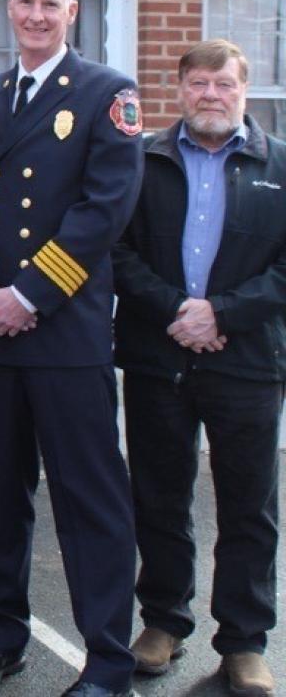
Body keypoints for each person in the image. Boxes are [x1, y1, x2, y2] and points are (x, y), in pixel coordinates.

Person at [0, 0, 143, 697]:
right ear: (8, 9)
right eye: (23, 2)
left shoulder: (105, 94)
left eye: (49, 4)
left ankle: (108, 663)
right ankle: (0, 642)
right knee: (3, 497)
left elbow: (104, 212)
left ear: (73, 12)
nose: (34, 15)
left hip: (64, 336)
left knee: (89, 504)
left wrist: (25, 295)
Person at [112, 39, 284, 697]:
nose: (211, 95)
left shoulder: (280, 166)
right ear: (180, 89)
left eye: (224, 85)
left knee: (249, 506)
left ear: (245, 91)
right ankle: (163, 621)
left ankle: (244, 641)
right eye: (199, 84)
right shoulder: (142, 160)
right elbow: (118, 251)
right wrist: (179, 311)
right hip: (159, 356)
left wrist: (221, 314)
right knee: (159, 495)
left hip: (246, 362)